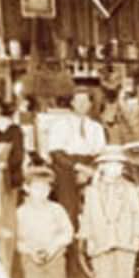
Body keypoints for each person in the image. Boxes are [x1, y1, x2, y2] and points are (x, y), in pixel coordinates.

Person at [79, 145, 139, 278]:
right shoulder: (91, 191)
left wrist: (138, 234)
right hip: (101, 238)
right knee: (103, 276)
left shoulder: (130, 189)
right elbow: (87, 215)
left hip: (124, 237)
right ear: (101, 167)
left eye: (119, 165)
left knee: (125, 275)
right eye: (110, 165)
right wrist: (87, 237)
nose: (115, 169)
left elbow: (136, 212)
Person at [16, 166, 74, 278]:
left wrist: (54, 247)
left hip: (55, 257)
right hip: (32, 260)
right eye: (36, 188)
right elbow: (17, 240)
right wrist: (29, 251)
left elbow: (68, 232)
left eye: (46, 188)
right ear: (26, 188)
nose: (42, 193)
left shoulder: (57, 210)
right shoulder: (20, 213)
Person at [47, 88, 107, 227]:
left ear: (90, 104)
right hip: (66, 165)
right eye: (78, 101)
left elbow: (100, 153)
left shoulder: (96, 127)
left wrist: (90, 170)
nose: (81, 104)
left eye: (85, 101)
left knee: (102, 200)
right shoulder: (59, 125)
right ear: (72, 103)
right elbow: (56, 154)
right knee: (69, 205)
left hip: (90, 164)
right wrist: (78, 167)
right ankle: (70, 237)